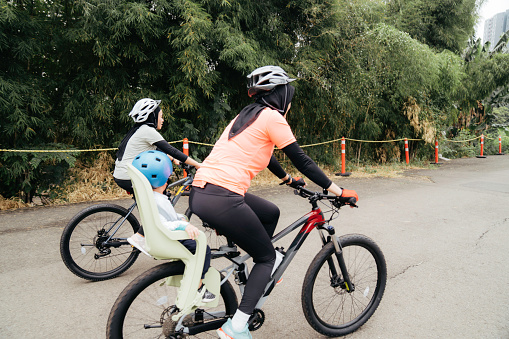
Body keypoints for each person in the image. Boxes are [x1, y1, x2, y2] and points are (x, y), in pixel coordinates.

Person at [188, 65, 358, 339]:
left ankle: (240, 276)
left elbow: (265, 153)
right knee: (267, 258)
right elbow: (302, 159)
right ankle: (236, 326)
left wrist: (287, 179)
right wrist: (338, 191)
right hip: (223, 197)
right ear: (281, 94)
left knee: (270, 212)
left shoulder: (245, 116)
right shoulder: (273, 118)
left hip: (201, 192)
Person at [112, 98, 200, 256]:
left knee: (152, 204)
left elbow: (158, 149)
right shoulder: (147, 130)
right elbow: (170, 149)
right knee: (157, 203)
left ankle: (148, 233)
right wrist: (198, 165)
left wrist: (175, 161)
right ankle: (140, 237)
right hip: (130, 176)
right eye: (161, 116)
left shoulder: (140, 131)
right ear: (151, 116)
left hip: (124, 174)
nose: (163, 119)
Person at [132, 150, 215, 303]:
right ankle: (198, 287)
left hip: (161, 235)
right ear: (162, 180)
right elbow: (163, 223)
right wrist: (182, 226)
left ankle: (187, 275)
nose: (168, 179)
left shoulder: (152, 197)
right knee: (203, 249)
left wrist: (180, 219)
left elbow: (167, 216)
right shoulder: (158, 200)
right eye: (167, 177)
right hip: (167, 237)